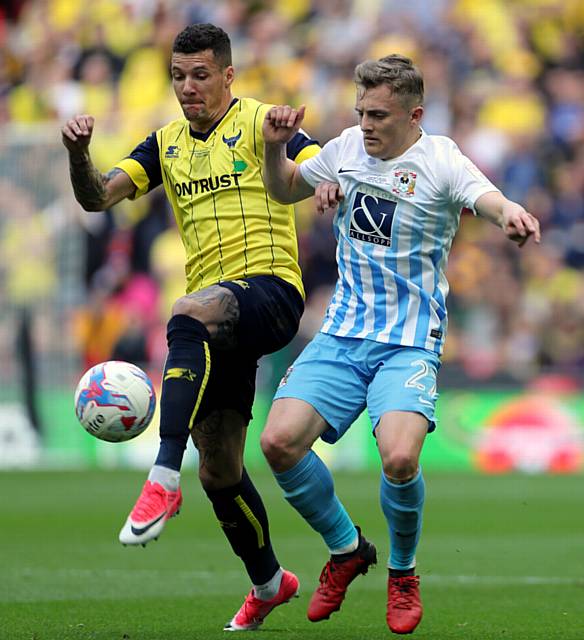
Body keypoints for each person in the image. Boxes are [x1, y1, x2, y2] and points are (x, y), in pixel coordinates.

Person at [259, 54, 540, 634]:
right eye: (361, 112)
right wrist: (274, 148)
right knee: (278, 443)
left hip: (409, 341)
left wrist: (511, 213)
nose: (365, 125)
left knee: (401, 457)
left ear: (414, 115)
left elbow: (486, 197)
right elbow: (285, 188)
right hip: (342, 332)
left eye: (378, 115)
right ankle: (346, 549)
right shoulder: (343, 149)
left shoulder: (441, 160)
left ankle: (404, 572)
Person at [61, 23, 320, 631]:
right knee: (221, 469)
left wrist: (321, 177)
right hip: (215, 320)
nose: (187, 88)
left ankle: (160, 477)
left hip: (272, 292)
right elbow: (98, 197)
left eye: (200, 75)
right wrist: (78, 155)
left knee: (185, 311)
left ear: (228, 75)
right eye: (178, 76)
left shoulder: (263, 122)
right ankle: (268, 582)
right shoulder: (165, 143)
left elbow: (314, 163)